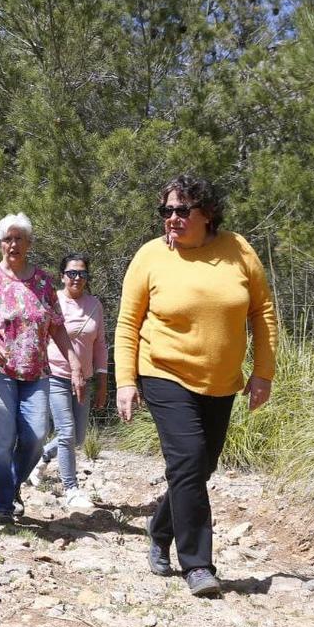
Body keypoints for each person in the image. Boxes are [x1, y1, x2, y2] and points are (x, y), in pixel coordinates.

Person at [115, 174, 277, 598]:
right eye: (166, 211)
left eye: (181, 210)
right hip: (164, 371)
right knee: (186, 462)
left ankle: (160, 526)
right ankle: (198, 564)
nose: (172, 218)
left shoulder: (238, 250)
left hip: (221, 381)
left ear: (207, 213)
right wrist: (126, 381)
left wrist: (264, 372)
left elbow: (262, 313)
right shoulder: (151, 256)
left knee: (200, 468)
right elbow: (128, 324)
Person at [0, 213, 85, 527]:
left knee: (35, 436)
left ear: (29, 243)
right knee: (1, 440)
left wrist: (74, 366)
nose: (13, 244)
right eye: (7, 238)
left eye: (19, 238)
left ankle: (11, 485)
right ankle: (2, 505)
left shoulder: (44, 282)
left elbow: (58, 328)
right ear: (0, 244)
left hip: (35, 372)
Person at [29, 252, 109, 511]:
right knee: (66, 430)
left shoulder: (95, 305)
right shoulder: (54, 301)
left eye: (82, 273)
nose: (77, 278)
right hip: (55, 375)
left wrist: (102, 382)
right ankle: (71, 489)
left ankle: (42, 457)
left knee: (77, 438)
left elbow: (100, 346)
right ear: (62, 276)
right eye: (72, 273)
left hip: (83, 379)